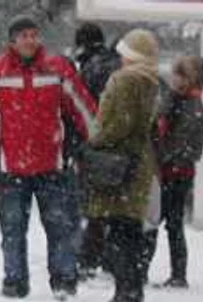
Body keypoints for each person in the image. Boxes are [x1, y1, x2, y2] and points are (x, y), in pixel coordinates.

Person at [0, 15, 98, 300]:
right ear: (12, 41)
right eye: (24, 36)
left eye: (34, 35)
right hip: (12, 167)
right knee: (13, 230)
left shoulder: (57, 69)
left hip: (52, 165)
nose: (30, 40)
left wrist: (98, 139)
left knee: (60, 228)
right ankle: (15, 281)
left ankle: (64, 281)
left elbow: (83, 107)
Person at [86, 29, 161, 302]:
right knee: (130, 227)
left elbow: (117, 123)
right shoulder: (152, 81)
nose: (120, 58)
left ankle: (124, 290)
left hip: (118, 162)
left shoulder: (124, 80)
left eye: (124, 52)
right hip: (140, 162)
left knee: (117, 229)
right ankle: (132, 287)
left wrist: (95, 139)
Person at [142, 56, 203, 289]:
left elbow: (185, 145)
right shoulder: (180, 101)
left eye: (179, 75)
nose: (174, 79)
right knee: (169, 223)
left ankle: (148, 270)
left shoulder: (187, 104)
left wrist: (162, 159)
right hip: (175, 172)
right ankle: (173, 272)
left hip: (174, 173)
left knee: (160, 222)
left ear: (189, 79)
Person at [72, 23, 124, 280]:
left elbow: (82, 110)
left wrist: (77, 145)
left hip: (96, 145)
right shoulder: (118, 64)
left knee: (93, 204)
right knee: (116, 204)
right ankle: (113, 257)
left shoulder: (90, 69)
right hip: (122, 147)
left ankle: (90, 256)